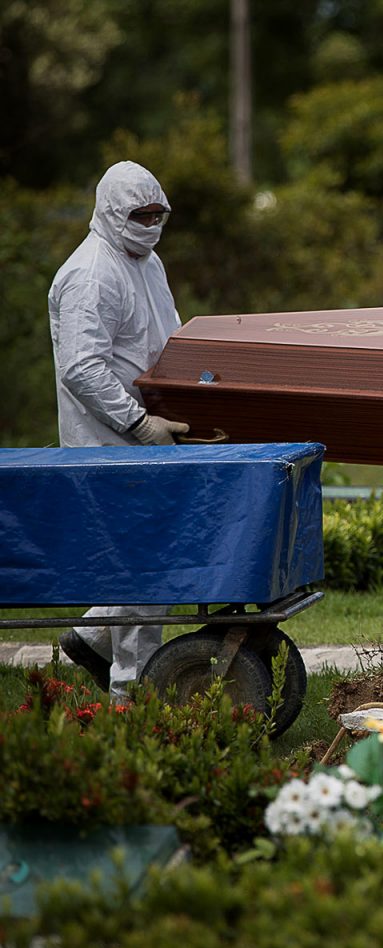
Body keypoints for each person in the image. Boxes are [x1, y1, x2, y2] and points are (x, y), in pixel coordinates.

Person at [48, 160, 189, 701]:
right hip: (107, 443)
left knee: (154, 554)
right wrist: (137, 421)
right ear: (110, 212)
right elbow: (81, 368)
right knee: (141, 564)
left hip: (147, 434)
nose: (150, 223)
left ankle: (90, 637)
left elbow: (164, 335)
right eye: (139, 213)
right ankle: (132, 692)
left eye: (158, 213)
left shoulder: (147, 262)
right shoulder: (90, 274)